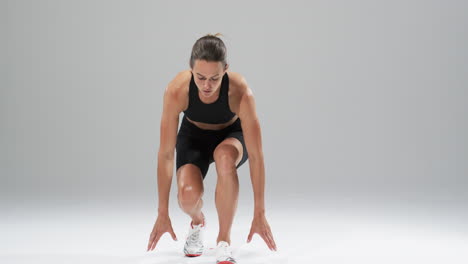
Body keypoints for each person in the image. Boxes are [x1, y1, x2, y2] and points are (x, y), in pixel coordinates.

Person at [147, 33, 277, 264]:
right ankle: (197, 222)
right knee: (187, 196)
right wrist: (162, 212)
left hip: (231, 135)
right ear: (190, 69)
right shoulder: (177, 90)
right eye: (200, 77)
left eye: (215, 78)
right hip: (193, 137)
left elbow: (257, 156)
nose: (207, 86)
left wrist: (260, 213)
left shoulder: (240, 92)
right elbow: (166, 154)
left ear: (225, 69)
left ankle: (223, 242)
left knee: (225, 156)